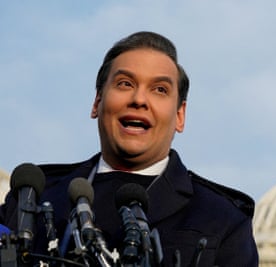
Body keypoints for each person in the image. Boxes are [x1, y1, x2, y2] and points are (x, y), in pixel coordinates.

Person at [0, 31, 259, 266]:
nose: (139, 100)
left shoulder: (222, 218)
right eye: (125, 84)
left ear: (180, 116)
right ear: (97, 102)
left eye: (159, 89)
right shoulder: (32, 198)